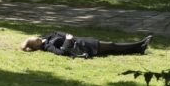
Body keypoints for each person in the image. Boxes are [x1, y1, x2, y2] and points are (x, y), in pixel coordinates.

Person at [21, 32, 153, 58]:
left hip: (81, 40)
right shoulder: (47, 47)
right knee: (112, 45)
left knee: (112, 49)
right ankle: (140, 44)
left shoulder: (46, 37)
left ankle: (139, 48)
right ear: (36, 46)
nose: (40, 38)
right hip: (82, 46)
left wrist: (66, 36)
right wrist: (67, 40)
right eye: (37, 40)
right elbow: (61, 52)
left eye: (37, 37)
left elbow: (57, 32)